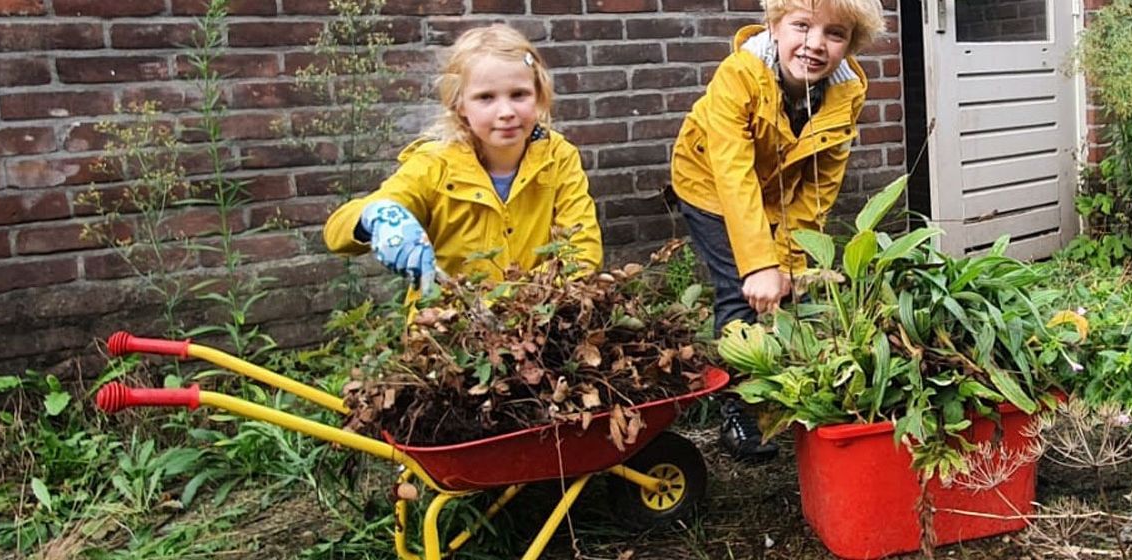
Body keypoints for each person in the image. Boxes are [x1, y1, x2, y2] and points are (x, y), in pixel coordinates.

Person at [667, 0, 884, 459]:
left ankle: (776, 384)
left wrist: (788, 261)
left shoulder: (846, 92)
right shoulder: (738, 75)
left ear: (851, 44)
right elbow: (733, 173)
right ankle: (736, 408)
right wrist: (761, 264)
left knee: (783, 288)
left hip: (773, 190)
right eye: (802, 26)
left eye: (835, 34)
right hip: (710, 183)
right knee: (739, 288)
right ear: (775, 24)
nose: (814, 44)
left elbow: (820, 186)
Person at [324, 24, 600, 289]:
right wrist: (373, 218)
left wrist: (512, 303)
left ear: (539, 96)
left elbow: (582, 251)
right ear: (459, 106)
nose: (506, 111)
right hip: (449, 329)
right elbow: (336, 234)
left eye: (519, 94)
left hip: (536, 324)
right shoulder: (434, 165)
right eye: (485, 98)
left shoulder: (558, 157)